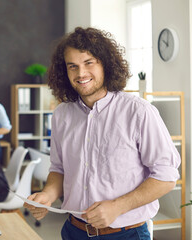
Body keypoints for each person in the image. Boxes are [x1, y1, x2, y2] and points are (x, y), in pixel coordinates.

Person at [24, 27, 181, 240]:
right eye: (73, 66)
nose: (81, 74)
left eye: (89, 63)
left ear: (105, 64)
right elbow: (59, 169)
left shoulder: (139, 112)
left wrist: (118, 206)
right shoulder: (62, 115)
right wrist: (47, 195)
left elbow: (166, 176)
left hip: (127, 234)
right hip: (73, 231)